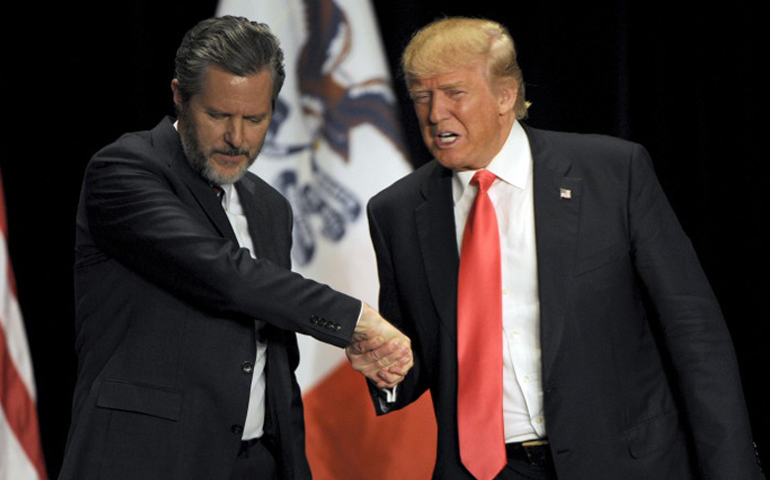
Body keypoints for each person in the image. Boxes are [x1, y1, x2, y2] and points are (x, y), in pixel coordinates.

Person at [347, 16, 764, 480]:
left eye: (454, 93)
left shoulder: (612, 173)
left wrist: (733, 471)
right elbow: (414, 357)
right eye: (422, 96)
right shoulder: (397, 212)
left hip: (626, 464)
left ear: (506, 95)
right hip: (489, 472)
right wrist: (386, 369)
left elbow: (695, 334)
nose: (434, 113)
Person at [59, 15, 411, 480]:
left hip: (255, 464)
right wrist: (354, 320)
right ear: (179, 96)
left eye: (255, 118)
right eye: (219, 115)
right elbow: (224, 275)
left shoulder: (270, 207)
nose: (237, 138)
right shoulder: (125, 171)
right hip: (147, 459)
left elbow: (273, 352)